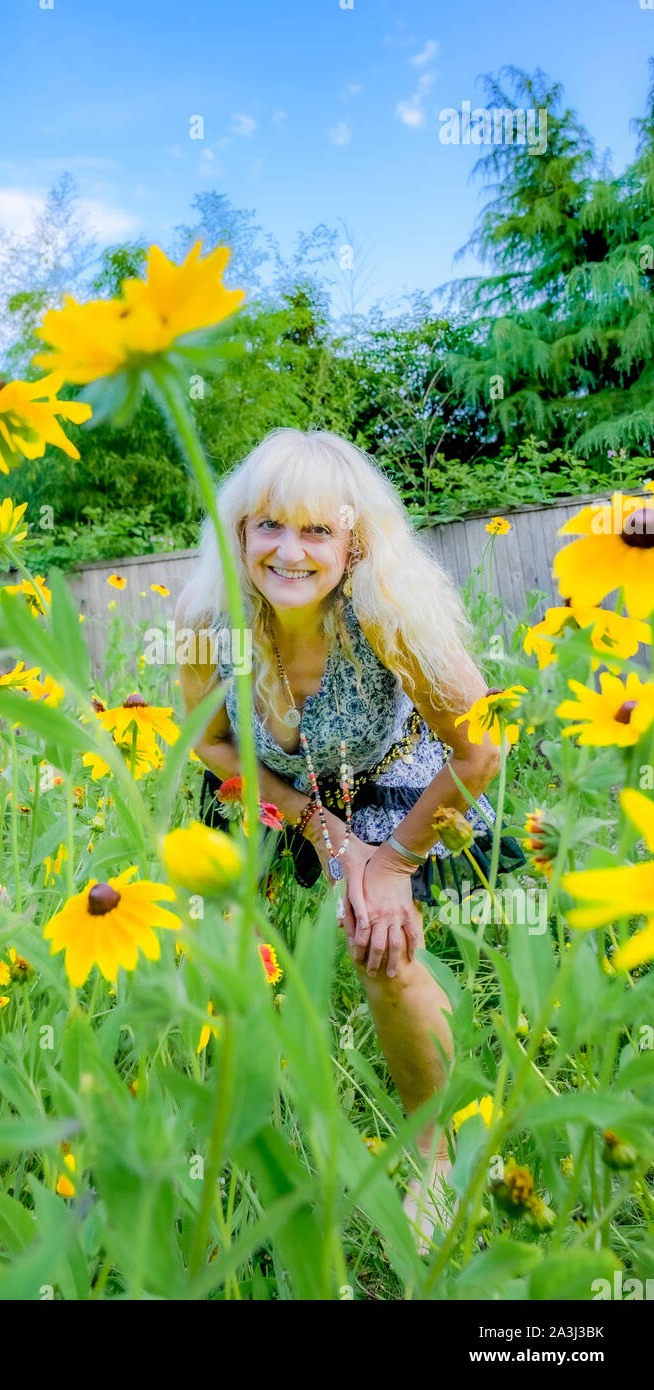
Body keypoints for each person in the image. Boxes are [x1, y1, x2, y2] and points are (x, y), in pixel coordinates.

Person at [175, 427, 526, 1251]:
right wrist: (317, 827)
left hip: (394, 782)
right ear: (238, 534)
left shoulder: (388, 613)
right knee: (218, 948)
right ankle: (233, 1137)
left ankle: (437, 1160)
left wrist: (391, 863)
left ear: (353, 542)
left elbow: (480, 748)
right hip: (274, 785)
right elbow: (212, 743)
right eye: (268, 525)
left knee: (380, 939)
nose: (288, 552)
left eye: (316, 530)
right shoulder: (205, 617)